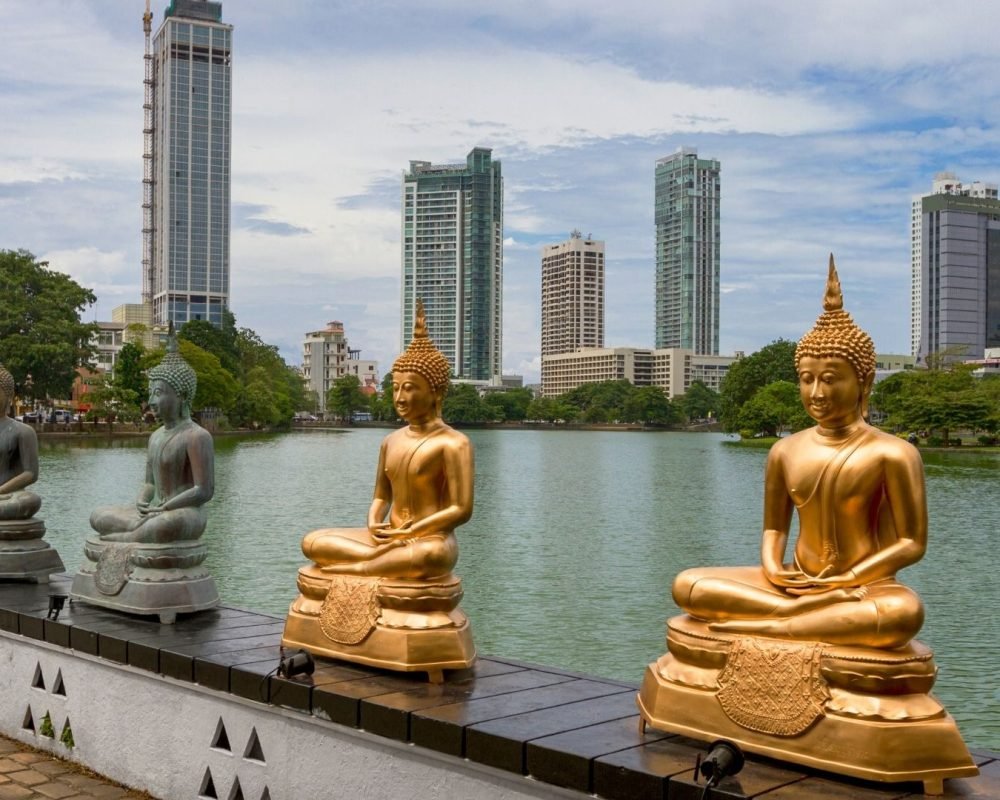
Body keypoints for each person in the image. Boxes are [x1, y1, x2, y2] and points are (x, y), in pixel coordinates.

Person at [672, 258, 925, 648]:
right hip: (795, 581)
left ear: (863, 381)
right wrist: (773, 567)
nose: (817, 393)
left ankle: (776, 626)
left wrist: (848, 579)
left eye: (830, 380)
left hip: (863, 586)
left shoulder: (893, 453)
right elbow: (775, 528)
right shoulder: (785, 450)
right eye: (807, 380)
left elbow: (911, 543)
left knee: (902, 614)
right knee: (688, 585)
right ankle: (797, 616)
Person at [302, 301, 473, 579]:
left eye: (409, 389)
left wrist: (415, 531)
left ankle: (361, 567)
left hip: (430, 540)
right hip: (388, 537)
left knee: (431, 556)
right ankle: (381, 560)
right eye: (395, 388)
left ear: (436, 393)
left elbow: (461, 509)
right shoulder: (391, 441)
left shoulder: (454, 443)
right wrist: (373, 522)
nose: (399, 398)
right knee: (313, 541)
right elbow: (381, 496)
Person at [90, 341, 214, 544]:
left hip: (184, 513)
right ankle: (140, 531)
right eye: (150, 394)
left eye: (158, 393)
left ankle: (131, 537)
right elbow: (150, 483)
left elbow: (203, 490)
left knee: (165, 524)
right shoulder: (155, 437)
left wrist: (166, 507)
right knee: (98, 515)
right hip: (156, 510)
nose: (151, 401)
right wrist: (142, 501)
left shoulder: (197, 436)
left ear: (181, 395)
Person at [0, 364, 41, 521]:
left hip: (10, 495)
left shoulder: (23, 431)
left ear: (9, 395)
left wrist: (2, 490)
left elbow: (31, 473)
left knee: (30, 501)